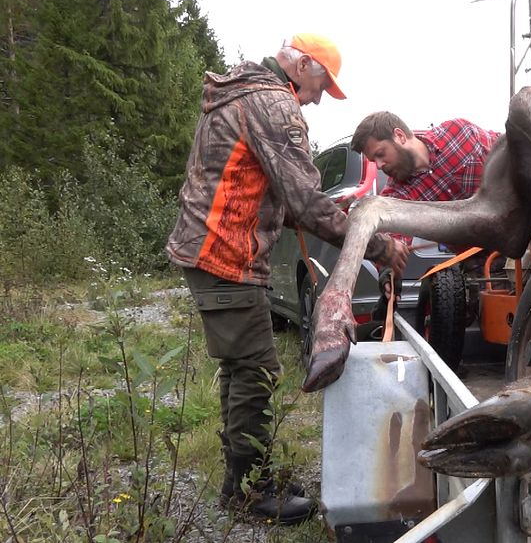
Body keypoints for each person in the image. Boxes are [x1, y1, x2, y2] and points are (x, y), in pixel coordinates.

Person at [166, 34, 408, 525]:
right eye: (322, 84)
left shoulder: (245, 94)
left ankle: (245, 478)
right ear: (301, 64)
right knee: (257, 370)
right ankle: (250, 493)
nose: (319, 97)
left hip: (215, 250)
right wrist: (378, 246)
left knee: (241, 369)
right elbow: (303, 201)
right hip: (224, 252)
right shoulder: (273, 105)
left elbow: (282, 198)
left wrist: (326, 217)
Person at [350, 111, 501, 295]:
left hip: (525, 235)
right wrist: (388, 271)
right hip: (483, 266)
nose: (380, 165)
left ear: (400, 136)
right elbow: (392, 236)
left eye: (381, 154)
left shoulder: (458, 134)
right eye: (374, 161)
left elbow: (506, 151)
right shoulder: (397, 194)